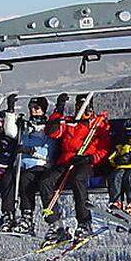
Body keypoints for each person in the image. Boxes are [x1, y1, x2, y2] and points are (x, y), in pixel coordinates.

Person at [40, 93, 111, 243]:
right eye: (79, 106)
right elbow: (52, 132)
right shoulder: (70, 122)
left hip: (86, 162)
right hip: (66, 161)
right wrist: (58, 110)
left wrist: (91, 158)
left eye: (85, 107)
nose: (82, 110)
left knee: (78, 179)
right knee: (46, 181)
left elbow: (105, 148)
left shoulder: (98, 124)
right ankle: (56, 224)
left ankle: (84, 222)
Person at [0, 96, 54, 236]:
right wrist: (10, 112)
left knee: (26, 180)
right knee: (8, 178)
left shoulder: (49, 128)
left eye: (37, 108)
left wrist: (31, 151)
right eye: (31, 108)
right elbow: (11, 132)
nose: (33, 111)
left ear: (43, 110)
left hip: (39, 165)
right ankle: (8, 214)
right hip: (21, 163)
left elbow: (50, 150)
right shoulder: (25, 126)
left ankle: (27, 217)